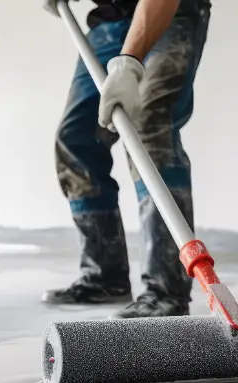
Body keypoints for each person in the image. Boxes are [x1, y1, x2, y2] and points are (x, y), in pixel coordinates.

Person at [41, 0, 212, 318]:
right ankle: (104, 277)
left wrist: (129, 62)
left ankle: (166, 291)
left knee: (150, 127)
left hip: (169, 13)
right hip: (108, 23)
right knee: (76, 140)